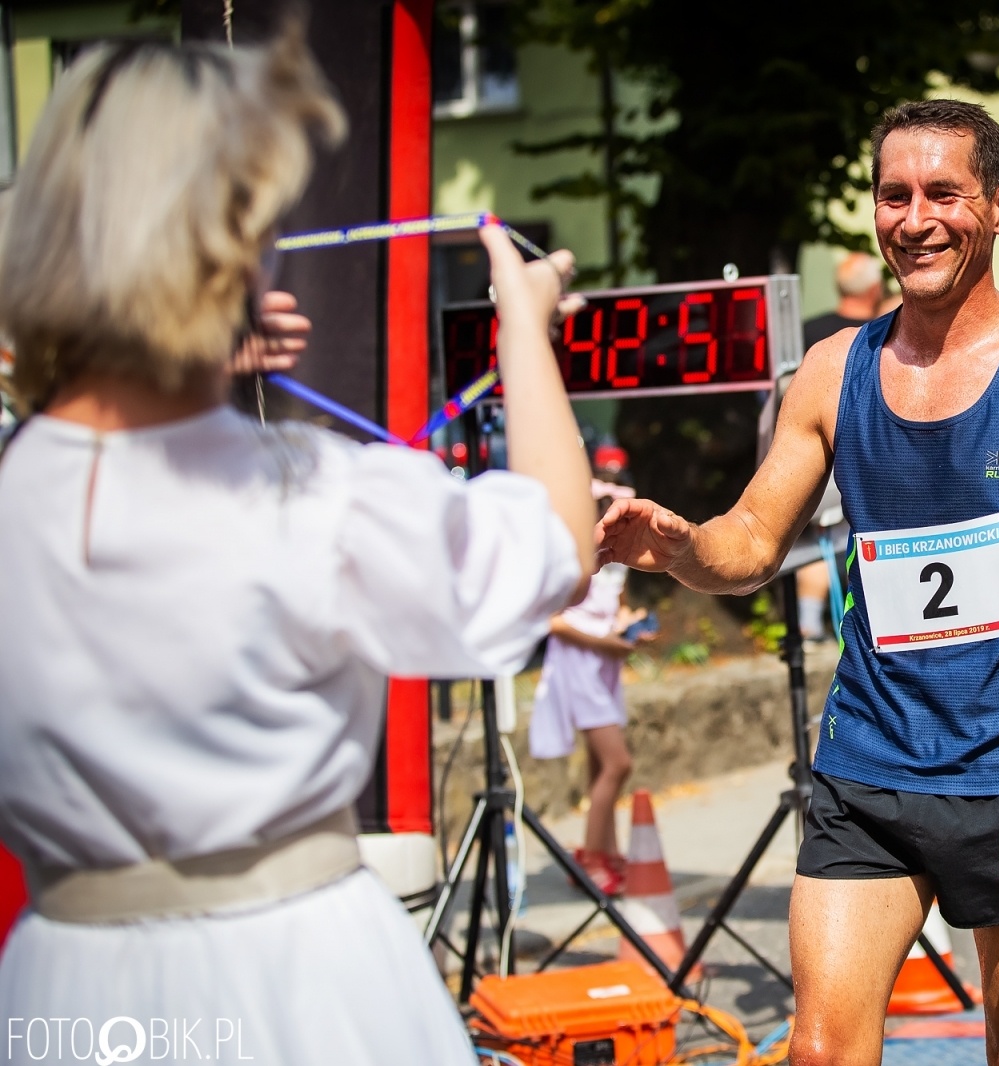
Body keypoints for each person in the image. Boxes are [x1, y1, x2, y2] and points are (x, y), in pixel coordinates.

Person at [0, 30, 592, 1066]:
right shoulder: (314, 496)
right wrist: (522, 333)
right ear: (237, 244)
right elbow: (554, 544)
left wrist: (178, 353)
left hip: (66, 989)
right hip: (308, 983)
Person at [598, 98, 999, 1064]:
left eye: (944, 193)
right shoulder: (831, 370)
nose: (915, 218)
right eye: (894, 195)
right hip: (870, 764)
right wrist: (675, 545)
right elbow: (753, 544)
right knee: (818, 1050)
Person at [529, 482, 655, 896]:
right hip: (579, 668)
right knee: (618, 763)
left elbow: (609, 610)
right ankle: (593, 859)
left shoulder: (614, 561)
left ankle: (605, 850)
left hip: (603, 668)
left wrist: (629, 623)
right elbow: (556, 622)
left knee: (601, 767)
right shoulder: (568, 558)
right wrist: (606, 641)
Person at [794, 252, 884, 640]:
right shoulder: (883, 335)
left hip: (812, 453)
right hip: (869, 457)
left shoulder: (808, 333)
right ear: (874, 288)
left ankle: (810, 625)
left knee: (819, 541)